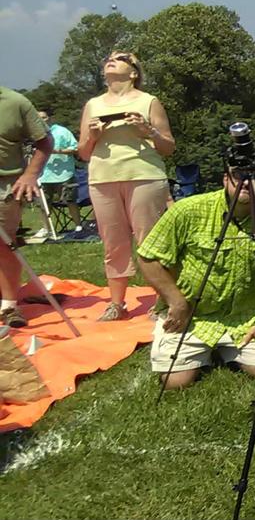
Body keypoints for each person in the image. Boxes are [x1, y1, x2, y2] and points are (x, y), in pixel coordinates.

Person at [134, 168, 255, 390]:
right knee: (175, 382)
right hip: (192, 316)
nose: (246, 182)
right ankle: (209, 351)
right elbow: (148, 257)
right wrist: (176, 302)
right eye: (239, 175)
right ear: (225, 178)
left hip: (245, 318)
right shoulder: (187, 210)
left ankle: (223, 350)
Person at [77, 50, 175, 321]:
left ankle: (162, 302)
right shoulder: (93, 105)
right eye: (107, 58)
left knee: (150, 242)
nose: (111, 59)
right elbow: (83, 152)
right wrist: (93, 136)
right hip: (103, 178)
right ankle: (116, 304)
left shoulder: (149, 102)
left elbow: (168, 146)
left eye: (120, 58)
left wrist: (148, 131)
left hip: (144, 175)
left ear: (134, 72)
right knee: (113, 244)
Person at [1, 86, 54, 328]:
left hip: (6, 186)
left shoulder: (15, 102)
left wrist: (31, 174)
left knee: (4, 244)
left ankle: (9, 306)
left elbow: (44, 141)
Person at [34, 110, 79, 237]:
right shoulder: (34, 134)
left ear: (49, 118)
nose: (42, 120)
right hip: (44, 175)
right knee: (43, 204)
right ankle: (46, 229)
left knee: (70, 200)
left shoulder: (62, 131)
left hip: (64, 173)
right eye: (38, 118)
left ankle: (78, 226)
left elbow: (75, 148)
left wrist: (57, 151)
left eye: (44, 117)